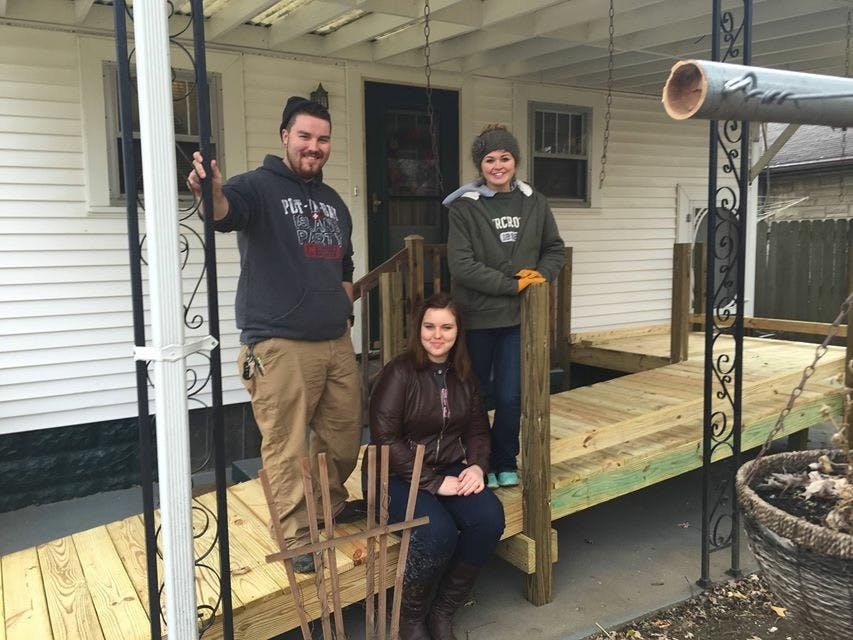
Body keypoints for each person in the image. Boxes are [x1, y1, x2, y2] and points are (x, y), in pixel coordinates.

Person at [187, 96, 362, 573]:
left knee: (343, 436)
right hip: (279, 344)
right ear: (284, 135)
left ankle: (328, 507)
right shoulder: (256, 187)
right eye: (304, 136)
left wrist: (342, 305)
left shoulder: (332, 202)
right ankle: (298, 534)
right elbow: (225, 212)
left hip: (335, 341)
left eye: (322, 138)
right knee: (286, 445)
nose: (314, 146)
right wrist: (211, 192)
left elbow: (346, 265)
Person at [365, 293, 505, 640]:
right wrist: (432, 481)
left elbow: (476, 429)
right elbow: (385, 437)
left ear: (458, 331)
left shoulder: (464, 375)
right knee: (436, 532)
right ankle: (410, 618)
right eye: (429, 326)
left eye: (446, 327)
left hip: (448, 468)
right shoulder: (399, 373)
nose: (437, 335)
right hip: (394, 475)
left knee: (489, 519)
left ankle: (443, 611)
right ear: (419, 329)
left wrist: (476, 467)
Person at [444, 124, 565, 489]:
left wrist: (539, 276)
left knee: (512, 394)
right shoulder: (464, 208)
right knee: (476, 392)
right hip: (477, 317)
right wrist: (513, 284)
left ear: (516, 161)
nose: (498, 166)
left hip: (518, 320)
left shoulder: (535, 202)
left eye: (505, 158)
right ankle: (476, 460)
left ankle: (504, 459)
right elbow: (461, 265)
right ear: (480, 166)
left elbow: (554, 249)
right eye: (489, 159)